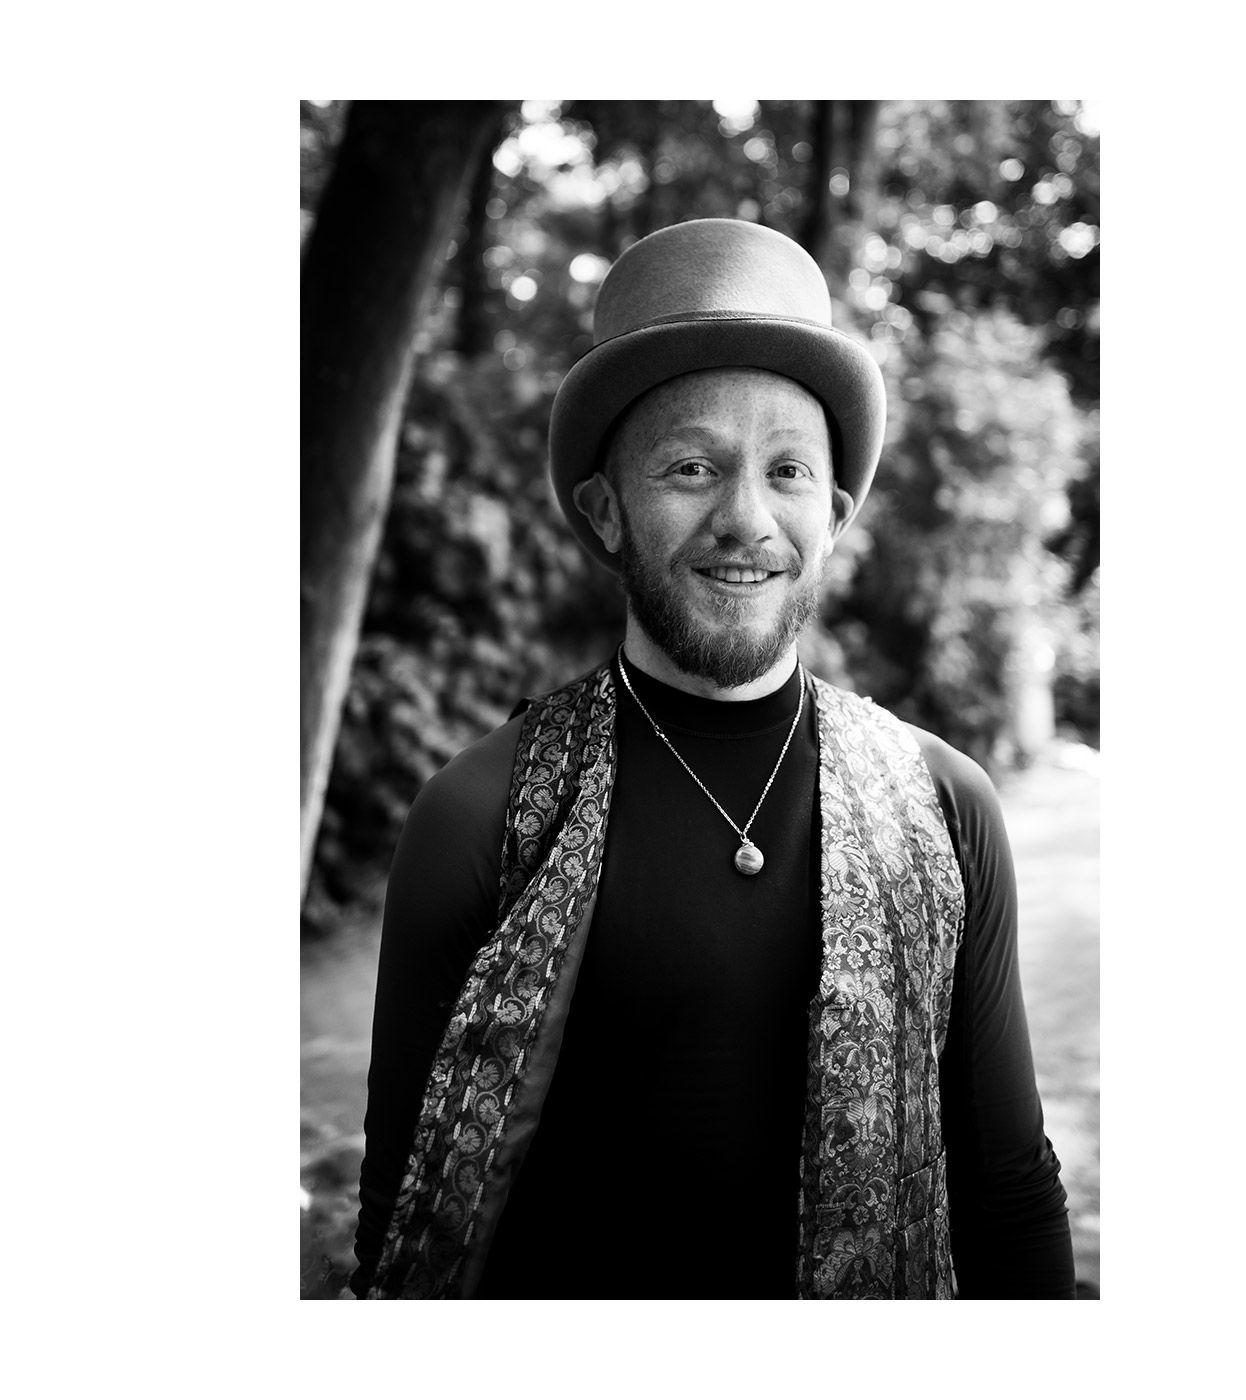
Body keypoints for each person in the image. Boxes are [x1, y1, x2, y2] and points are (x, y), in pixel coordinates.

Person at [349, 217, 1075, 1300]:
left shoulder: (944, 806)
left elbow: (1008, 1190)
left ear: (829, 513)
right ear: (606, 509)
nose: (746, 517)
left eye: (785, 469)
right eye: (691, 465)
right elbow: (401, 1228)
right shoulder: (481, 814)